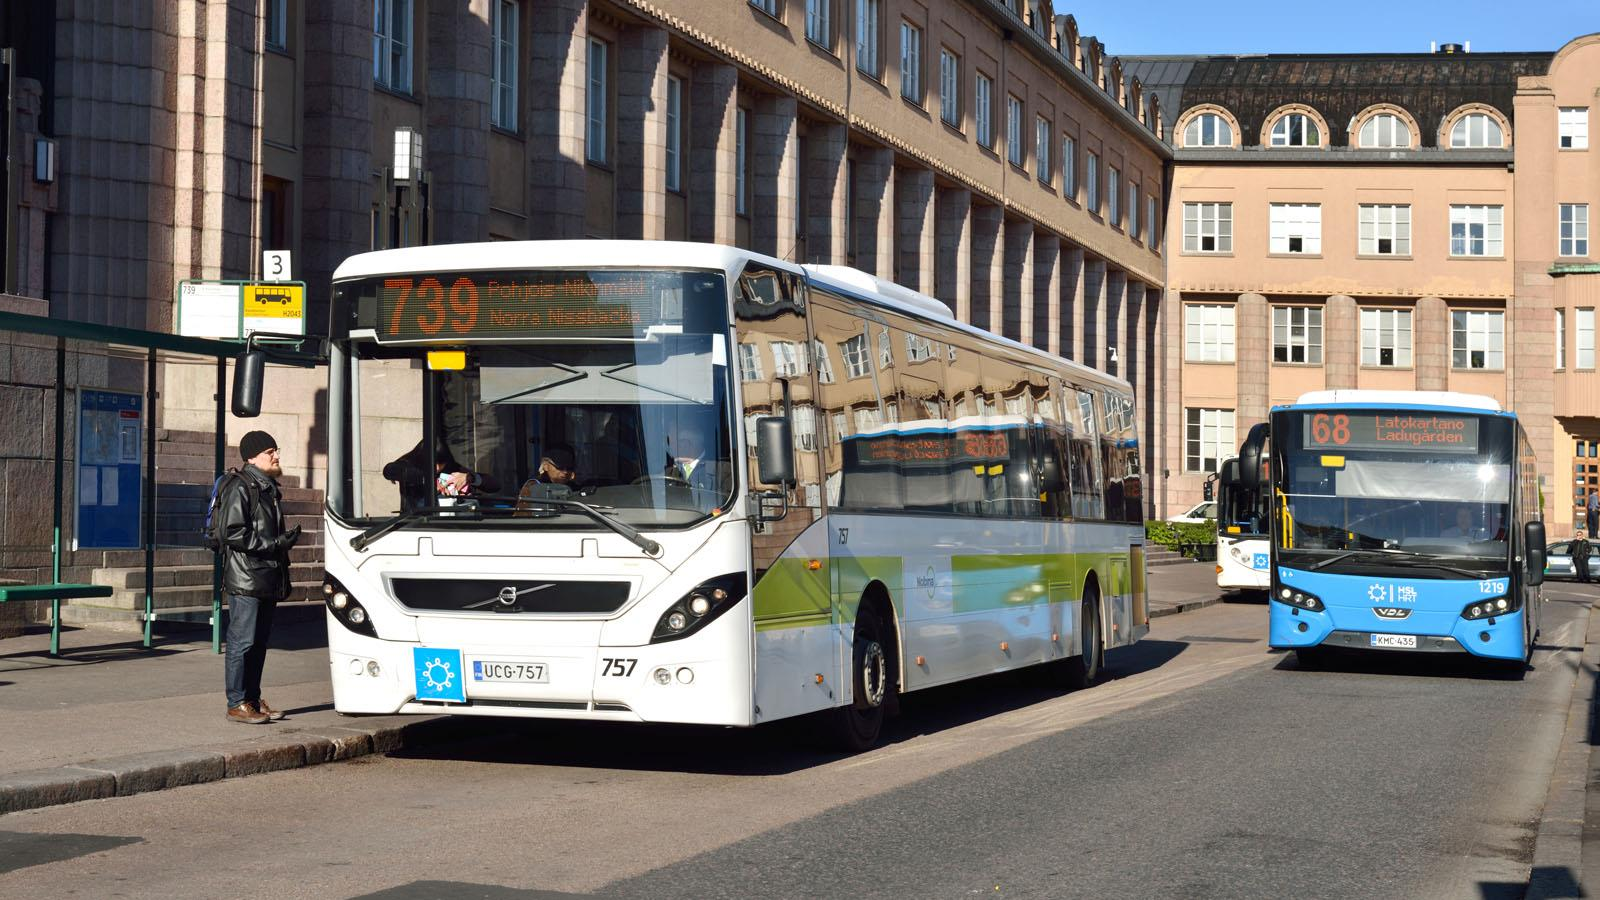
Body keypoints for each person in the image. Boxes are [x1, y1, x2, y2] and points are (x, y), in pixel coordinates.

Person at [219, 431, 302, 724]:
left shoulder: (267, 487)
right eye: (270, 451)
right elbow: (232, 532)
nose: (276, 455)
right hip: (246, 577)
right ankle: (237, 703)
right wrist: (276, 544)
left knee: (258, 642)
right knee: (243, 641)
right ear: (252, 457)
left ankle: (251, 699)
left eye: (275, 450)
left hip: (265, 575)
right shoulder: (240, 487)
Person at [383, 439, 497, 511]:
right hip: (416, 524)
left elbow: (495, 485)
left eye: (440, 464)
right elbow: (389, 471)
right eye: (434, 463)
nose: (437, 468)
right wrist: (429, 481)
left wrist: (470, 478)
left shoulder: (450, 468)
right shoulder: (409, 465)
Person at [665, 419, 727, 510]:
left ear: (687, 445)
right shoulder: (668, 473)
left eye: (678, 443)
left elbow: (727, 508)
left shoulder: (722, 471)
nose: (671, 449)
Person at [517, 444, 579, 508]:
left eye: (569, 468)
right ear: (546, 466)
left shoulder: (574, 488)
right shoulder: (534, 486)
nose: (565, 472)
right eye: (560, 467)